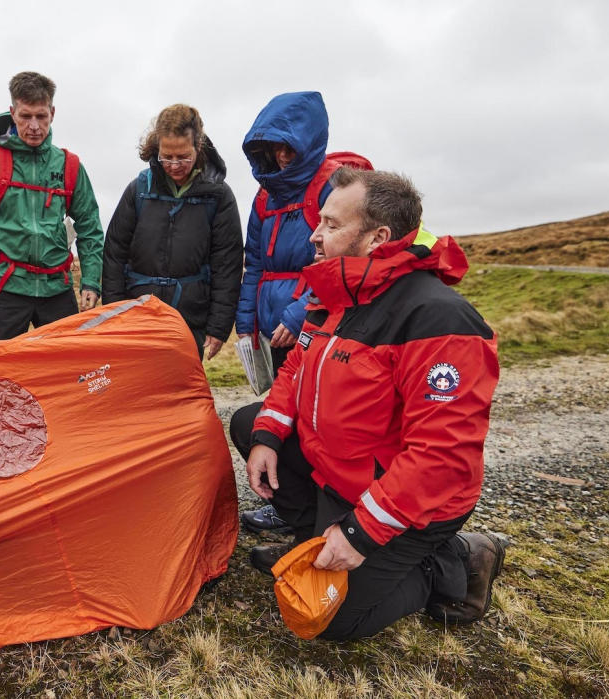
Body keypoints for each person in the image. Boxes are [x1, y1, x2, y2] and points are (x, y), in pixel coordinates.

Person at [230, 167, 505, 640]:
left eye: (332, 225)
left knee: (330, 621)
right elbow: (296, 368)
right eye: (320, 222)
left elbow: (441, 458)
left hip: (414, 503)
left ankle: (459, 558)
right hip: (344, 476)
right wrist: (268, 436)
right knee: (248, 422)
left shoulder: (438, 318)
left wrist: (359, 534)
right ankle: (311, 543)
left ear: (378, 237)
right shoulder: (338, 294)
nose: (315, 236)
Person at [236, 91, 371, 535]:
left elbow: (339, 260)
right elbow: (254, 261)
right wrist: (246, 322)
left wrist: (298, 317)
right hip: (270, 321)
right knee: (279, 411)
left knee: (320, 415)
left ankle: (332, 506)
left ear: (307, 142)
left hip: (313, 320)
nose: (277, 157)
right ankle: (288, 504)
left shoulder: (331, 186)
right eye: (268, 149)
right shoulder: (263, 197)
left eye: (286, 147)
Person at [0, 71, 104, 341]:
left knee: (66, 372)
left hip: (57, 289)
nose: (34, 126)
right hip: (4, 289)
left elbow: (90, 226)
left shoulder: (70, 166)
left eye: (41, 116)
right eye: (25, 116)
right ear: (12, 112)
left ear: (52, 113)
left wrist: (91, 280)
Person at [102, 105, 242, 360]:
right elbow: (114, 254)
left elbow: (227, 266)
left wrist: (219, 327)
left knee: (179, 396)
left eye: (183, 157)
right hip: (137, 318)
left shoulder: (219, 195)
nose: (174, 165)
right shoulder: (138, 190)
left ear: (198, 147)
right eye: (166, 157)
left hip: (189, 320)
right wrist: (114, 313)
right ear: (156, 149)